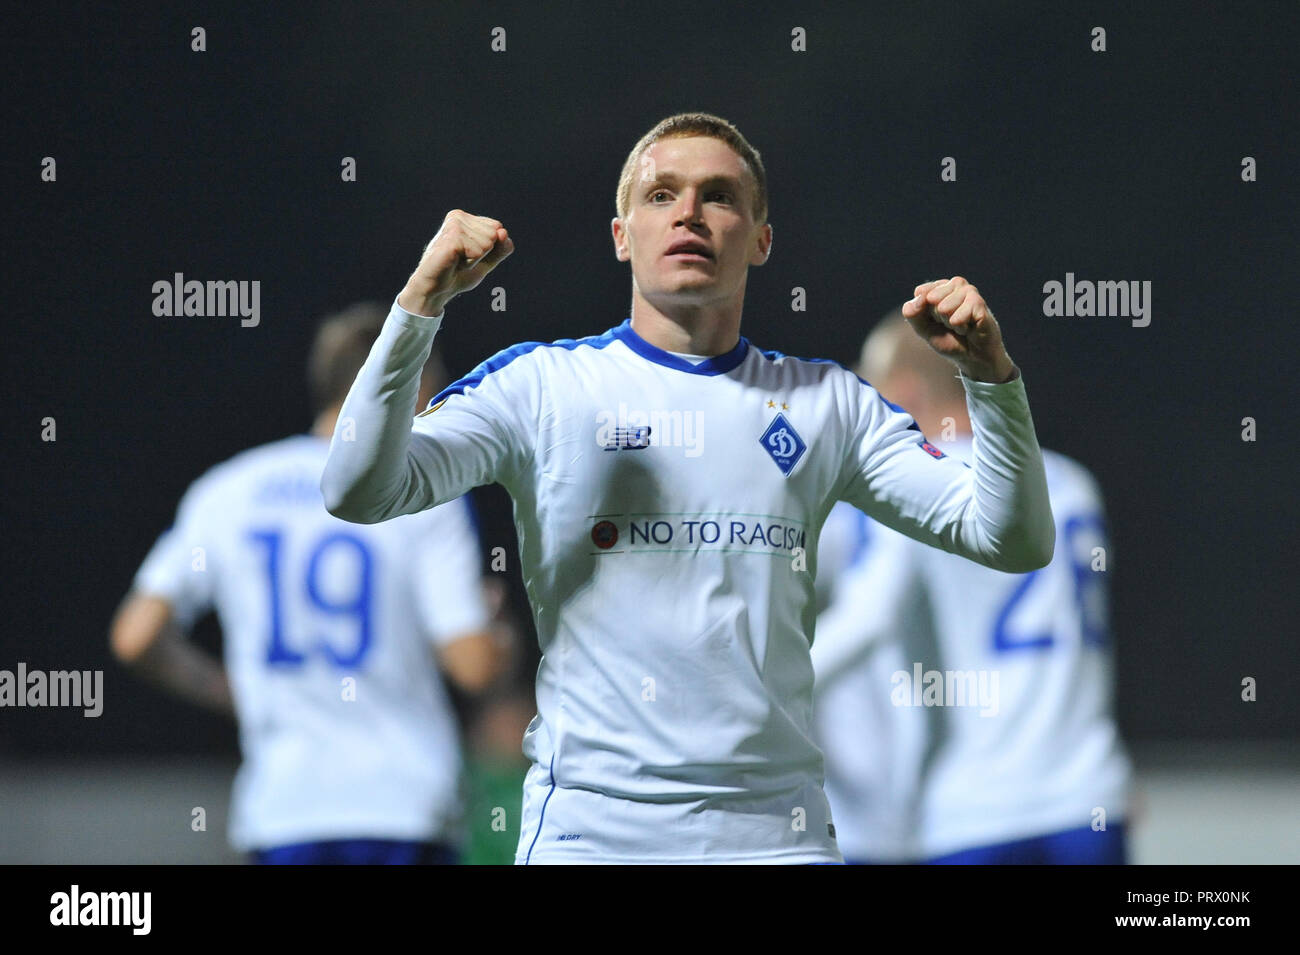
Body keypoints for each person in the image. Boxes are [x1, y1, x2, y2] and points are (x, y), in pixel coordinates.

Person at [321, 111, 1055, 864]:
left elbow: (1014, 538)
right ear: (620, 234)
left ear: (761, 239)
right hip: (594, 837)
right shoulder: (543, 386)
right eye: (661, 194)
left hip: (776, 839)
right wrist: (418, 306)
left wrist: (991, 380)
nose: (689, 214)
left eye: (719, 196)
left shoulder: (828, 403)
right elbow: (356, 491)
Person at [110, 303, 508, 864]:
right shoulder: (423, 494)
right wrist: (499, 634)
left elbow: (135, 636)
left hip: (286, 808)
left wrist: (223, 689)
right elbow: (474, 666)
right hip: (404, 803)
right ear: (403, 386)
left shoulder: (228, 490)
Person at [812, 312, 1131, 864]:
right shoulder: (1073, 481)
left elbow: (871, 617)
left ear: (903, 395)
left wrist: (758, 690)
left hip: (973, 805)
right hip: (1088, 792)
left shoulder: (918, 487)